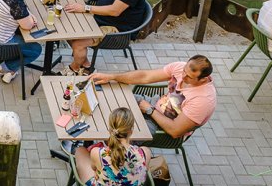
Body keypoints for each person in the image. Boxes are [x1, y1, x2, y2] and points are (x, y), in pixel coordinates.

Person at [89, 55, 217, 139]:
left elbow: (175, 131)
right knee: (110, 96)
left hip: (162, 126)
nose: (183, 77)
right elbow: (145, 76)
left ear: (203, 79)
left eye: (189, 77)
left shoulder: (203, 100)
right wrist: (111, 77)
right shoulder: (180, 67)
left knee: (116, 136)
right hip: (154, 104)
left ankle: (98, 153)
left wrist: (150, 110)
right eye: (184, 71)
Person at [69, 107, 151, 186]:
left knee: (80, 152)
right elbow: (141, 174)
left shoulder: (98, 153)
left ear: (110, 129)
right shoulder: (145, 152)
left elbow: (94, 171)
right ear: (131, 130)